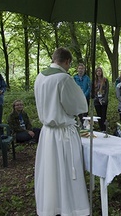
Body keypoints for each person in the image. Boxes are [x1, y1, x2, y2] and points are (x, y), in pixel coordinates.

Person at [34, 47, 89, 216]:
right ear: (67, 61)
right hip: (63, 132)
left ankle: (53, 205)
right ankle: (70, 207)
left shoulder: (40, 76)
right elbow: (78, 106)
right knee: (67, 170)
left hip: (47, 133)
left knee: (51, 171)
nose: (69, 67)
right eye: (69, 64)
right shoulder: (63, 78)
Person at [92, 66, 109, 132]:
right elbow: (93, 91)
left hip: (103, 100)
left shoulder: (105, 80)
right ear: (96, 73)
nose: (99, 72)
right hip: (96, 100)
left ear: (101, 72)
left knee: (103, 115)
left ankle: (105, 129)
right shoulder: (94, 81)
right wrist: (97, 99)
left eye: (100, 71)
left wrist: (104, 99)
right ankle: (101, 128)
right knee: (99, 115)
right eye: (97, 71)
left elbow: (107, 90)